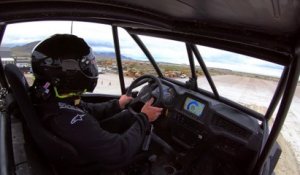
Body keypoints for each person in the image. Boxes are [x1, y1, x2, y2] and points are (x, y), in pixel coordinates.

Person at [30, 34, 163, 174]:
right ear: (70, 71)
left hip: (80, 153)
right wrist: (144, 118)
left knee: (128, 116)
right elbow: (119, 151)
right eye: (87, 64)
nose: (92, 67)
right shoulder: (66, 119)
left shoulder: (54, 98)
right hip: (91, 166)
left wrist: (118, 104)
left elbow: (85, 109)